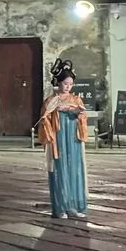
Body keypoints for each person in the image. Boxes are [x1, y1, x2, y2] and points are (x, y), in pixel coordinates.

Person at [37, 59, 88, 219]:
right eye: (65, 83)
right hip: (58, 138)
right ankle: (60, 207)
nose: (68, 87)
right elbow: (43, 119)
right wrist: (53, 112)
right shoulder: (51, 101)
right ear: (58, 83)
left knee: (75, 169)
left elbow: (83, 116)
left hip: (73, 138)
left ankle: (74, 205)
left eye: (70, 84)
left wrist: (77, 113)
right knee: (60, 170)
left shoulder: (76, 100)